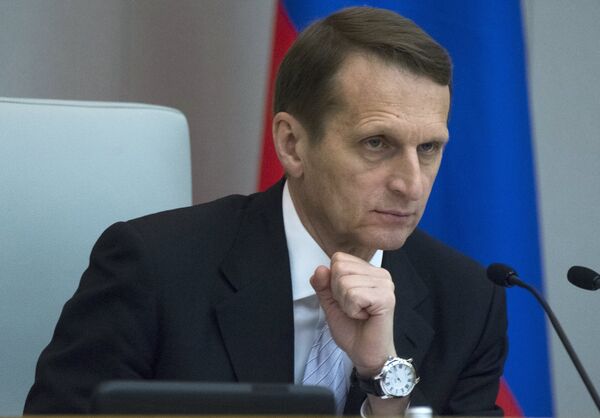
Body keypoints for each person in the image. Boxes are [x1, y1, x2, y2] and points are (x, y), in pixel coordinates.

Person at [24, 6, 507, 416]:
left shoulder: (468, 301)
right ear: (292, 144)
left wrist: (384, 378)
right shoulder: (154, 268)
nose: (411, 184)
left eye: (428, 148)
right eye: (376, 143)